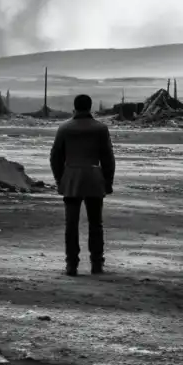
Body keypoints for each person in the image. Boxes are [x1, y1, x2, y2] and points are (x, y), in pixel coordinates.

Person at [49, 94, 116, 276]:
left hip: (71, 178)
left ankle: (72, 265)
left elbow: (55, 157)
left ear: (74, 107)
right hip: (94, 178)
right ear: (90, 107)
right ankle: (96, 263)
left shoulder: (64, 128)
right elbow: (108, 158)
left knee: (71, 224)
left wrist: (60, 179)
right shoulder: (100, 128)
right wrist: (108, 182)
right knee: (96, 223)